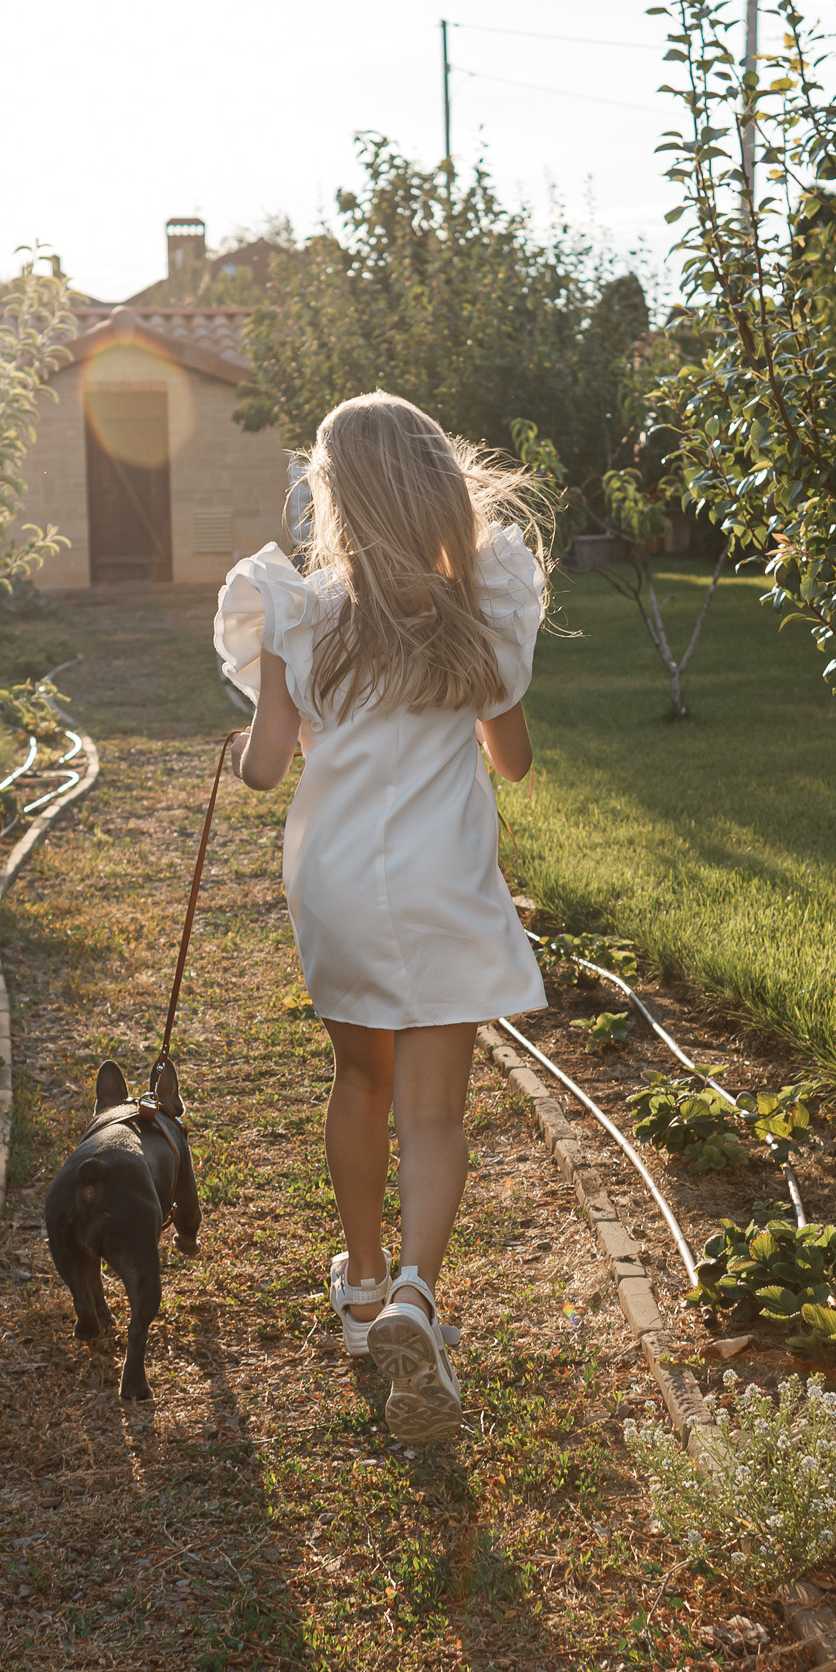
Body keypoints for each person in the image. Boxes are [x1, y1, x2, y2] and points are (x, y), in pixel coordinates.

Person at [215, 392, 547, 1442]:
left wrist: (242, 747)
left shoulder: (293, 609)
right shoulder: (479, 605)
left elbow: (267, 765)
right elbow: (515, 758)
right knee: (436, 1111)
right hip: (443, 879)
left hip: (341, 887)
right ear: (436, 484)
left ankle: (360, 1289)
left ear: (333, 493)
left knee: (356, 1078)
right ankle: (417, 1293)